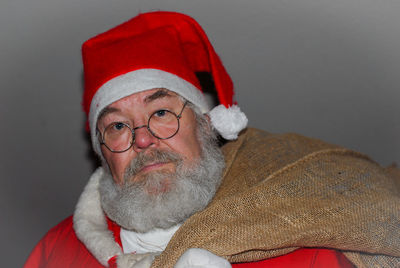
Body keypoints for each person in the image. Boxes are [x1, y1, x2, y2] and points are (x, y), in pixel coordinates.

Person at [24, 11, 399, 268]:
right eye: (118, 126)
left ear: (205, 126)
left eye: (160, 114)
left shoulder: (313, 224)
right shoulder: (56, 251)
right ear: (103, 154)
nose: (142, 141)